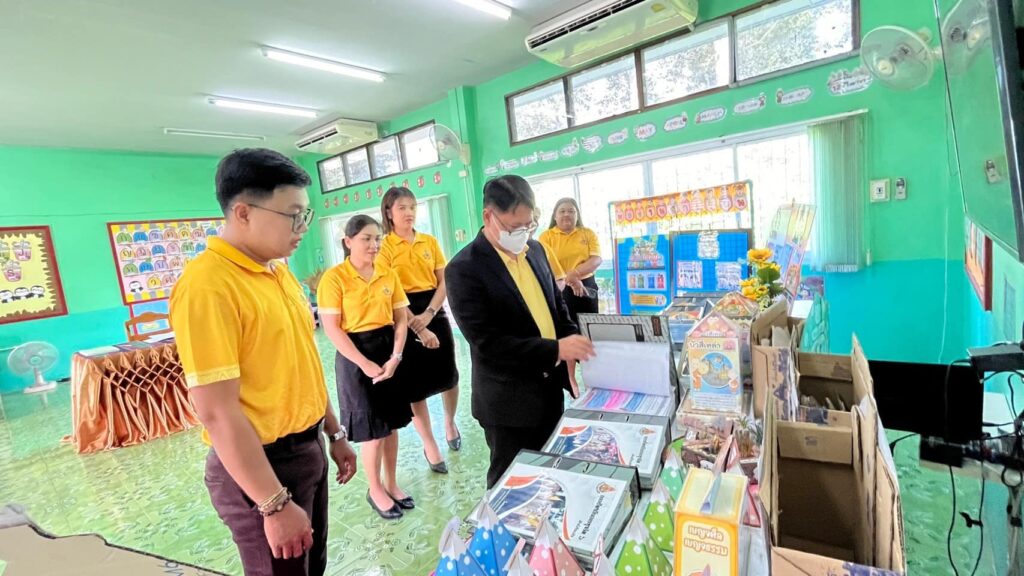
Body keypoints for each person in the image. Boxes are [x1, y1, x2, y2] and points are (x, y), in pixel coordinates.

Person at [170, 148, 357, 576]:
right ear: (243, 212)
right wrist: (272, 504)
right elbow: (217, 412)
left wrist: (334, 432)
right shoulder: (208, 286)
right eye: (293, 216)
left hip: (307, 446)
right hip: (262, 467)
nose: (302, 228)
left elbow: (301, 363)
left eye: (305, 215)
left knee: (311, 568)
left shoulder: (277, 272)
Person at [446, 175, 596, 489]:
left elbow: (557, 307)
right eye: (515, 227)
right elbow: (488, 343)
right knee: (511, 484)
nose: (523, 234)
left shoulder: (536, 250)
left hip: (549, 392)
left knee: (551, 475)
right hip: (508, 405)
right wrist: (556, 350)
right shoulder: (464, 269)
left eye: (530, 225)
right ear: (489, 216)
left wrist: (572, 338)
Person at [317, 215, 414, 520]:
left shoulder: (388, 274)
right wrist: (365, 363)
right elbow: (332, 329)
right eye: (366, 239)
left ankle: (391, 483)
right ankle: (375, 490)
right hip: (355, 357)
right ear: (348, 242)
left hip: (388, 350)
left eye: (377, 239)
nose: (374, 245)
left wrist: (396, 357)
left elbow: (401, 320)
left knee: (392, 425)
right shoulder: (334, 278)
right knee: (373, 431)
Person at [378, 187, 460, 474]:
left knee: (449, 376)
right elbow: (390, 292)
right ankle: (430, 444)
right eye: (402, 207)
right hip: (402, 311)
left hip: (433, 307)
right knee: (415, 386)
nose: (409, 212)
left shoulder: (429, 241)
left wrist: (430, 314)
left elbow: (444, 281)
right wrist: (416, 324)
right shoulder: (384, 247)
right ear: (389, 212)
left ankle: (450, 422)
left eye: (412, 207)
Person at [538, 198, 603, 321]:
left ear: (577, 215)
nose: (566, 214)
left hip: (586, 284)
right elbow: (547, 263)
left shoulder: (588, 233)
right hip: (559, 286)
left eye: (571, 211)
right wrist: (570, 279)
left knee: (589, 323)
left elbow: (596, 259)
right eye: (562, 211)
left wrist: (575, 273)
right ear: (555, 216)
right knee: (565, 324)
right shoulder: (546, 236)